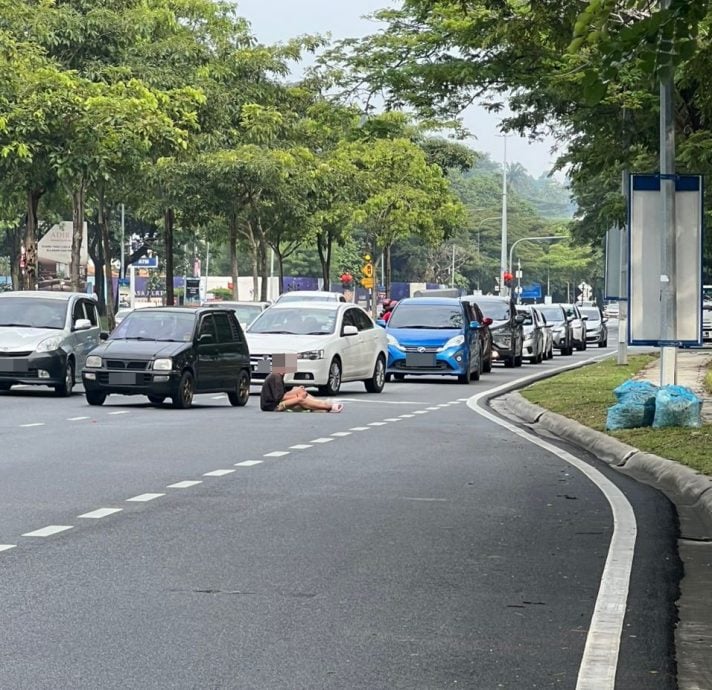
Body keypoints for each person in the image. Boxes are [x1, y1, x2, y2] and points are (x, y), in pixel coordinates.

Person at [260, 372, 343, 413]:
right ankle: (329, 407)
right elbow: (279, 397)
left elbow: (282, 394)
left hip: (276, 403)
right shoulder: (276, 377)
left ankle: (321, 404)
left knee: (300, 391)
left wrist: (297, 391)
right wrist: (297, 396)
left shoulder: (277, 376)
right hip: (273, 406)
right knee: (300, 399)